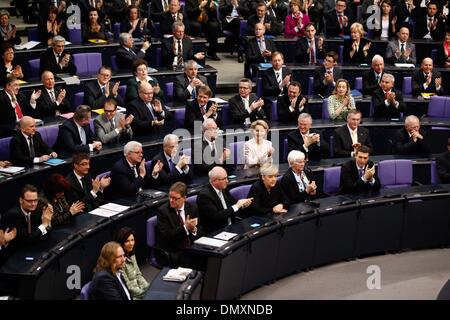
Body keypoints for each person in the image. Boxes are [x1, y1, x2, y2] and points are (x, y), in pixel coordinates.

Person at [197, 166, 252, 234]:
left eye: (227, 178)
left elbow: (233, 204)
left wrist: (243, 205)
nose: (227, 181)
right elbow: (216, 216)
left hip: (231, 226)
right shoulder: (204, 196)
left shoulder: (224, 189)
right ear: (214, 181)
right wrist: (237, 206)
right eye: (224, 179)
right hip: (216, 231)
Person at [157, 182, 200, 267]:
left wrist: (193, 229)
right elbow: (167, 236)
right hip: (173, 249)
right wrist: (185, 227)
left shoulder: (192, 208)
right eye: (170, 197)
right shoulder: (163, 211)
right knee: (193, 264)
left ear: (184, 198)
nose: (171, 200)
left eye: (175, 198)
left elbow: (201, 229)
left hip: (191, 246)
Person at [114, 227, 149, 299]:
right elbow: (127, 286)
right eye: (127, 241)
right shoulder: (120, 261)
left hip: (140, 292)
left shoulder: (132, 254)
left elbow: (138, 275)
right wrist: (144, 293)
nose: (131, 243)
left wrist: (148, 288)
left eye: (132, 240)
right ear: (121, 242)